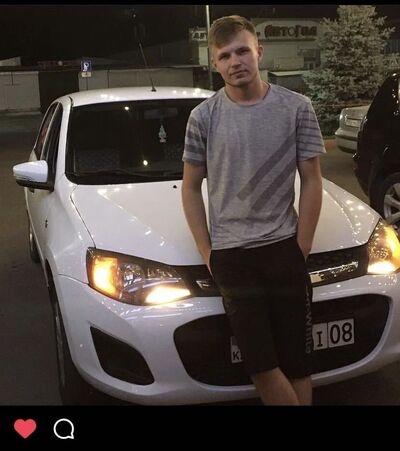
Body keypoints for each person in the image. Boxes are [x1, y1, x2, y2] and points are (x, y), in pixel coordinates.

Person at [181, 15, 325, 405]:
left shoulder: (297, 108)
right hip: (232, 257)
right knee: (260, 364)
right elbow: (190, 188)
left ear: (259, 51)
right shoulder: (203, 117)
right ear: (215, 64)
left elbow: (312, 179)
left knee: (297, 363)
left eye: (242, 51)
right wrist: (209, 253)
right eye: (225, 56)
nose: (236, 62)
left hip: (284, 250)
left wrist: (302, 246)